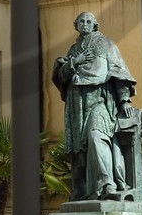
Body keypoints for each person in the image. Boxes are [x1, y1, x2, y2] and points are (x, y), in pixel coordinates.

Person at [52, 11, 136, 202]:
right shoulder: (73, 50)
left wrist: (124, 100)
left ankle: (107, 184)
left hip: (99, 99)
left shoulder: (106, 44)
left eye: (89, 21)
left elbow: (118, 70)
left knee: (96, 135)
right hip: (76, 103)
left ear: (95, 25)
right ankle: (82, 189)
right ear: (76, 25)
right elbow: (61, 77)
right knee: (79, 149)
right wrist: (76, 62)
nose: (85, 24)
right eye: (81, 21)